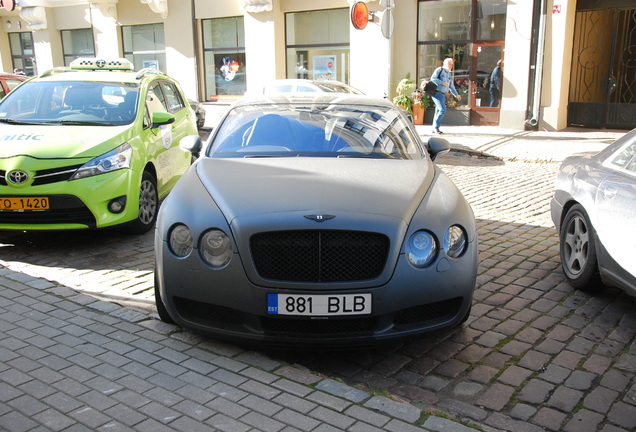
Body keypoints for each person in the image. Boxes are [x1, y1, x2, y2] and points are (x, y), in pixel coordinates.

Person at [430, 57, 461, 134]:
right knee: (442, 109)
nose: (450, 65)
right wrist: (442, 83)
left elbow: (451, 86)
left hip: (443, 95)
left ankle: (434, 128)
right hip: (437, 93)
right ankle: (436, 128)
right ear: (444, 63)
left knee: (438, 111)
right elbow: (433, 79)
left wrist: (456, 95)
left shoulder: (449, 74)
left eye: (451, 64)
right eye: (449, 64)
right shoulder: (439, 70)